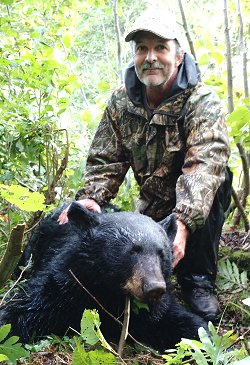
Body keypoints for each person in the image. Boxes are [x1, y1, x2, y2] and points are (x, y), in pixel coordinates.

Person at [58, 10, 232, 321]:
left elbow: (206, 164)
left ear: (178, 57)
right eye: (142, 49)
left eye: (160, 48)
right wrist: (92, 197)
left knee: (220, 180)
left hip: (194, 204)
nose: (150, 57)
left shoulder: (202, 102)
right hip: (151, 208)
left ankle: (198, 280)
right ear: (136, 57)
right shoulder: (121, 103)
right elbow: (105, 159)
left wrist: (183, 221)